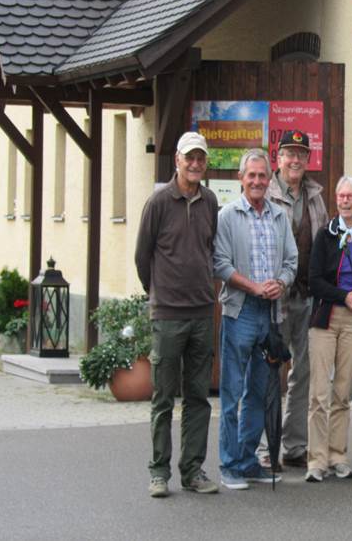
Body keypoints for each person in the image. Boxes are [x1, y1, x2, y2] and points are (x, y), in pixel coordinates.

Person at [134, 131, 220, 498]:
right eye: (190, 158)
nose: (196, 163)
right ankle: (158, 472)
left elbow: (210, 247)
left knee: (199, 397)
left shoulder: (211, 201)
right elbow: (142, 256)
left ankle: (193, 470)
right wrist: (157, 294)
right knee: (164, 398)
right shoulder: (158, 202)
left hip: (202, 312)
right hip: (167, 314)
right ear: (178, 161)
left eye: (201, 158)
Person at [213, 148, 298, 489]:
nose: (258, 181)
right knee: (233, 391)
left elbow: (292, 262)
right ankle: (229, 465)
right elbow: (220, 263)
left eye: (263, 176)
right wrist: (253, 287)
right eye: (252, 176)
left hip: (272, 315)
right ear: (241, 179)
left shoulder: (279, 217)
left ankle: (248, 461)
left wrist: (281, 283)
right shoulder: (227, 216)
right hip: (241, 311)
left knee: (259, 392)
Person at [262, 129, 328, 470]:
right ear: (278, 158)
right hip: (275, 299)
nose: (295, 160)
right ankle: (266, 448)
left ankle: (294, 446)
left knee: (302, 374)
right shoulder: (267, 193)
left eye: (301, 154)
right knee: (269, 372)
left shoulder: (316, 196)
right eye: (289, 153)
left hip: (308, 298)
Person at [304, 176, 352, 482]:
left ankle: (337, 455)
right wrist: (341, 296)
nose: (345, 201)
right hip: (326, 318)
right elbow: (314, 279)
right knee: (319, 393)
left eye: (351, 197)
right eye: (341, 196)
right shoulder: (325, 235)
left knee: (343, 391)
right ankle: (317, 460)